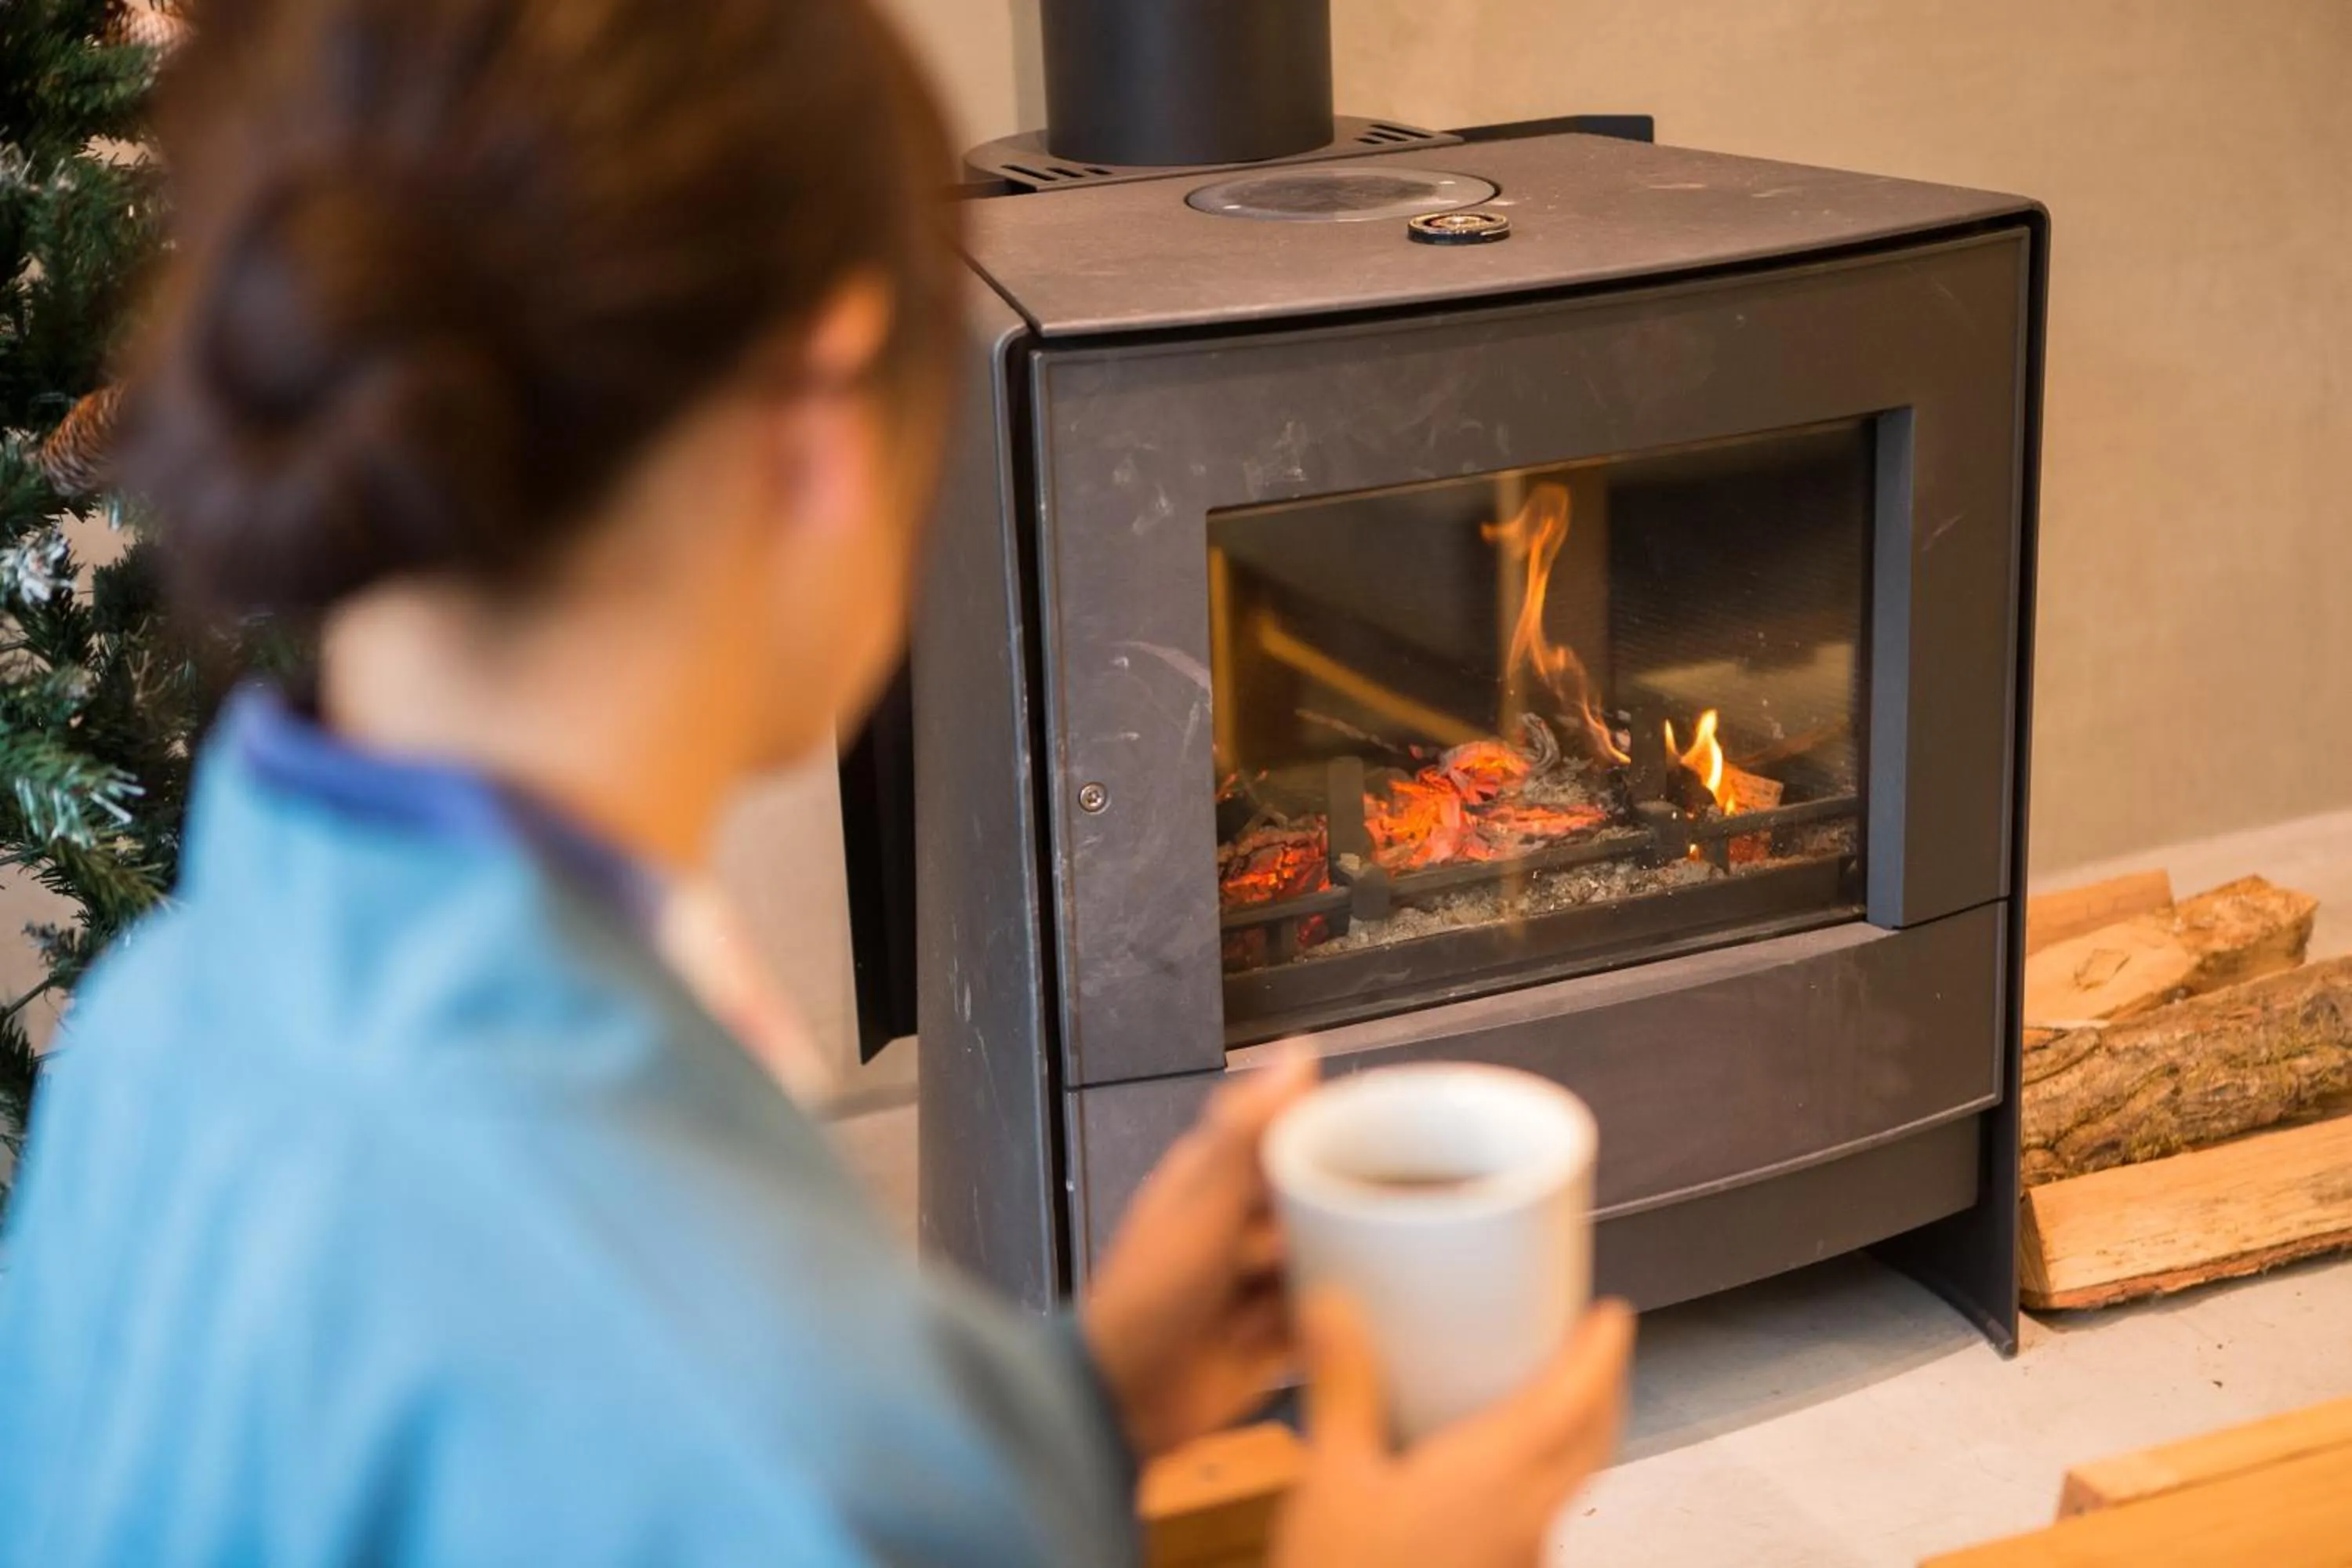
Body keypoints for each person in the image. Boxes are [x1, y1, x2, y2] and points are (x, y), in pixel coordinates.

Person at [0, 0, 1635, 1563]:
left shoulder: (152, 1031)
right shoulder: (729, 1378)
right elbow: (759, 1452)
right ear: (824, 414)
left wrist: (1092, 1400)